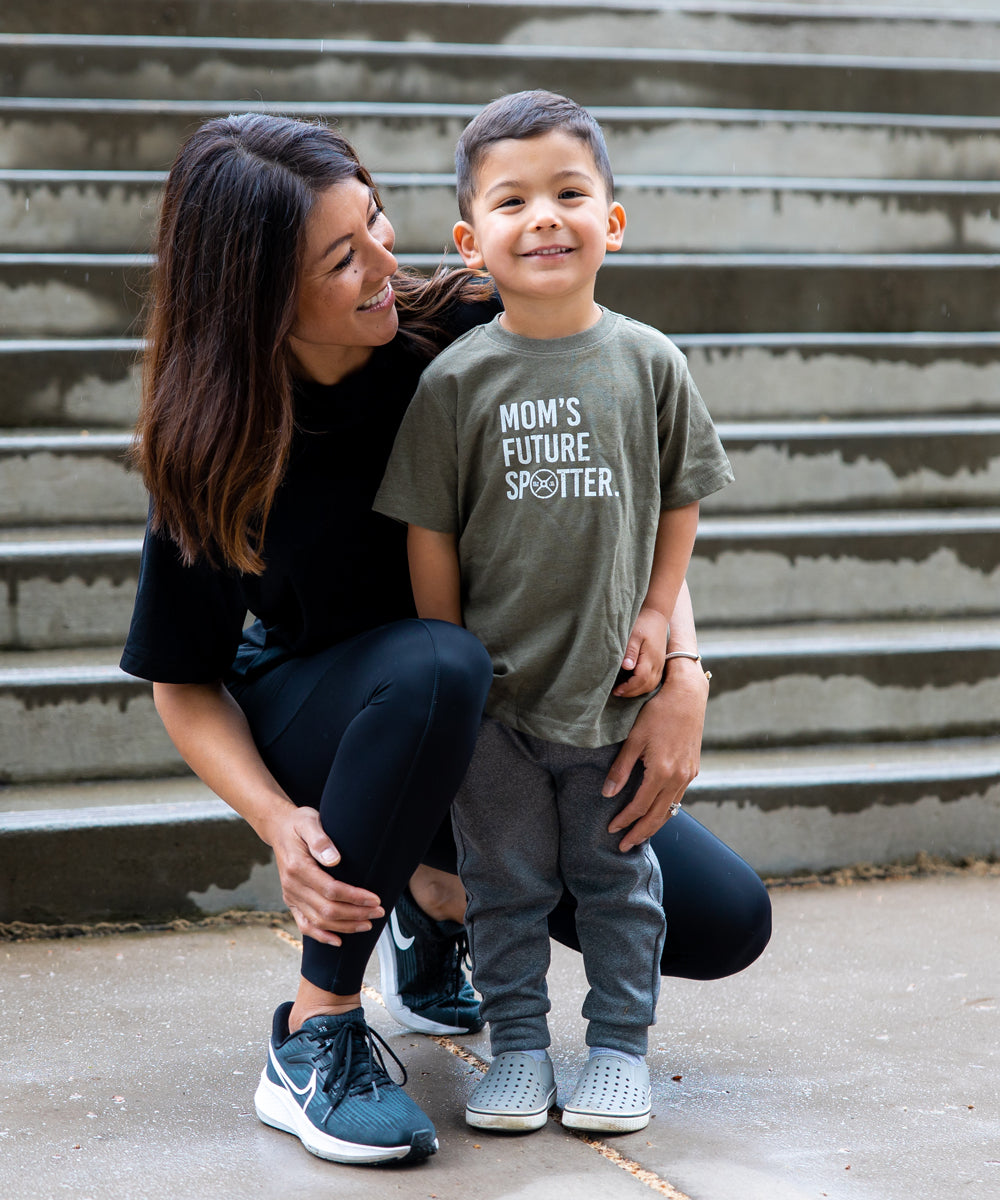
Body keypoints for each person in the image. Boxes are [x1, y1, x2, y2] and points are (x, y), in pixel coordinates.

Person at [118, 111, 769, 1170]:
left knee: (720, 920)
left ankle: (431, 897)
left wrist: (680, 670)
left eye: (375, 221)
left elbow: (624, 489)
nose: (386, 263)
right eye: (343, 257)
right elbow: (184, 686)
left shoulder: (465, 325)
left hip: (507, 719)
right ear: (258, 296)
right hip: (327, 711)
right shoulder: (213, 436)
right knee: (436, 664)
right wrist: (280, 822)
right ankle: (315, 1034)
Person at [374, 90, 739, 1137]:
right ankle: (520, 1049)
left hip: (609, 696)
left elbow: (682, 496)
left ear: (612, 222)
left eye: (569, 193)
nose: (543, 217)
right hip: (496, 705)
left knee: (617, 880)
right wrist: (450, 670)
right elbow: (429, 532)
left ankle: (618, 1049)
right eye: (513, 199)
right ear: (469, 239)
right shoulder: (454, 380)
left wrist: (664, 616)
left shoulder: (648, 362)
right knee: (505, 886)